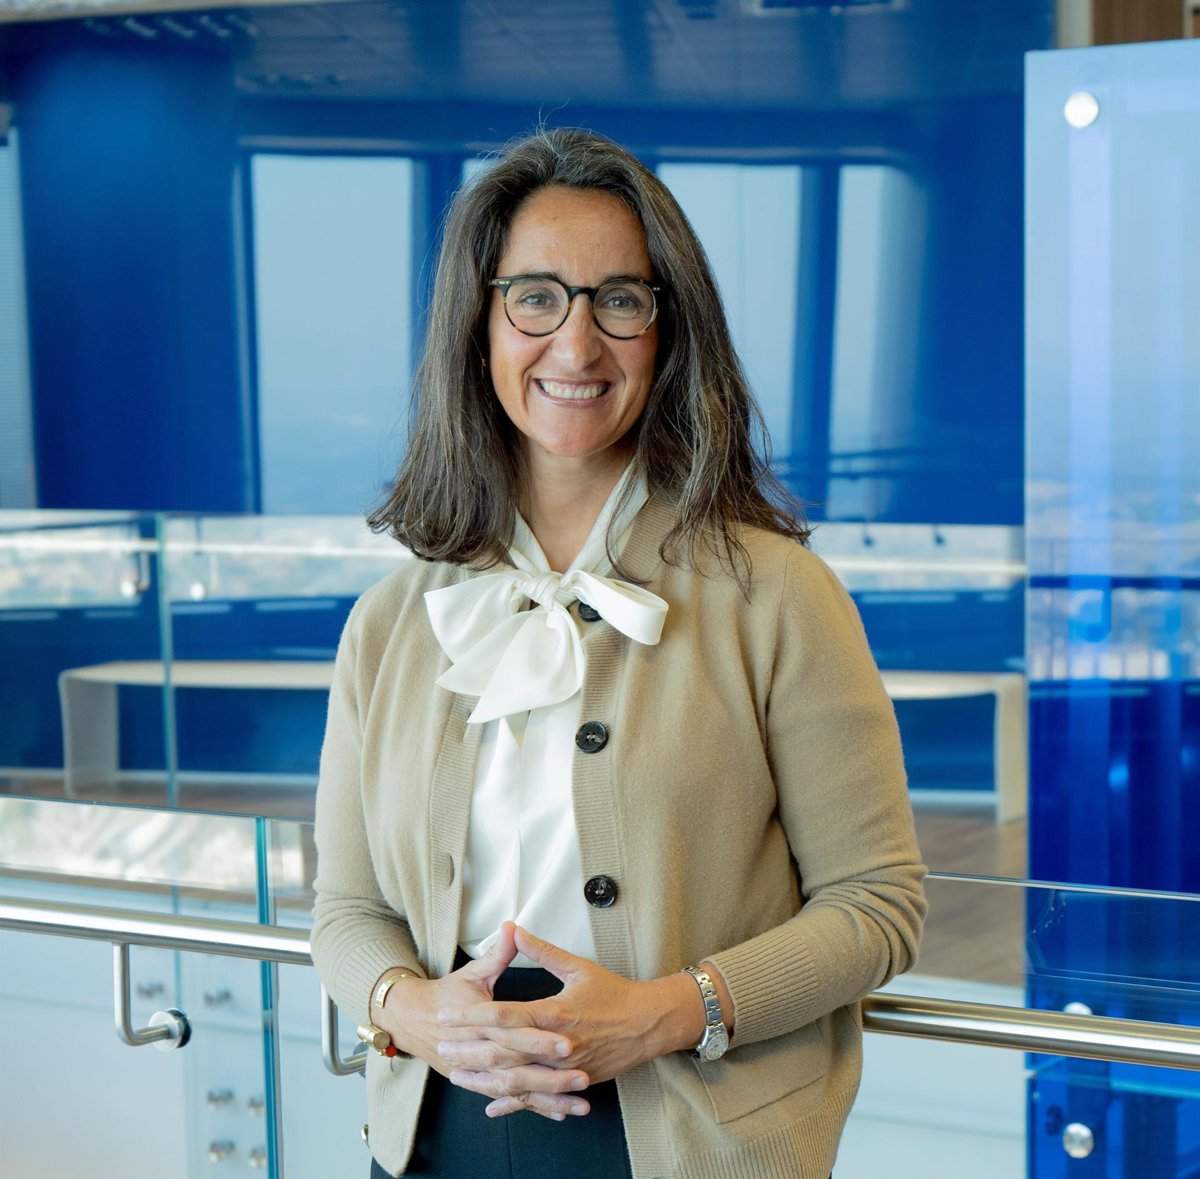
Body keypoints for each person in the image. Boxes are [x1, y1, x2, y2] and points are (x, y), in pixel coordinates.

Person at [311, 126, 926, 1179]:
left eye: (620, 301)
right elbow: (347, 909)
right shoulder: (392, 619)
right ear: (477, 325)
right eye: (535, 298)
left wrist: (661, 1015)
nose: (577, 343)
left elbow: (877, 906)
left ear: (668, 330)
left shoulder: (778, 595)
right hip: (436, 1136)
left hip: (701, 1139)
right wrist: (410, 1009)